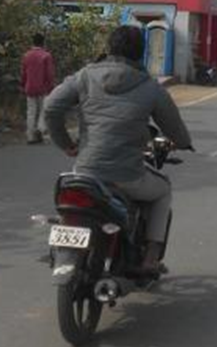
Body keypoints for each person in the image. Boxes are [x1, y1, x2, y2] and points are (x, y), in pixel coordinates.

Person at [44, 25, 193, 274]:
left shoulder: (84, 76)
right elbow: (173, 126)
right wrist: (183, 142)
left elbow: (51, 107)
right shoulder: (150, 87)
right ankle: (150, 259)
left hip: (86, 171)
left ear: (109, 47)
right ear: (140, 53)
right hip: (127, 175)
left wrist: (66, 144)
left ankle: (64, 250)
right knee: (162, 190)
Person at [21, 33, 56, 144]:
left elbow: (23, 73)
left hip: (30, 87)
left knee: (31, 112)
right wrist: (51, 86)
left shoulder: (26, 55)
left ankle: (30, 136)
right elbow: (49, 74)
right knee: (44, 110)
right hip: (43, 88)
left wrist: (23, 85)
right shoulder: (46, 55)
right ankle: (40, 129)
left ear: (33, 42)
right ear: (43, 42)